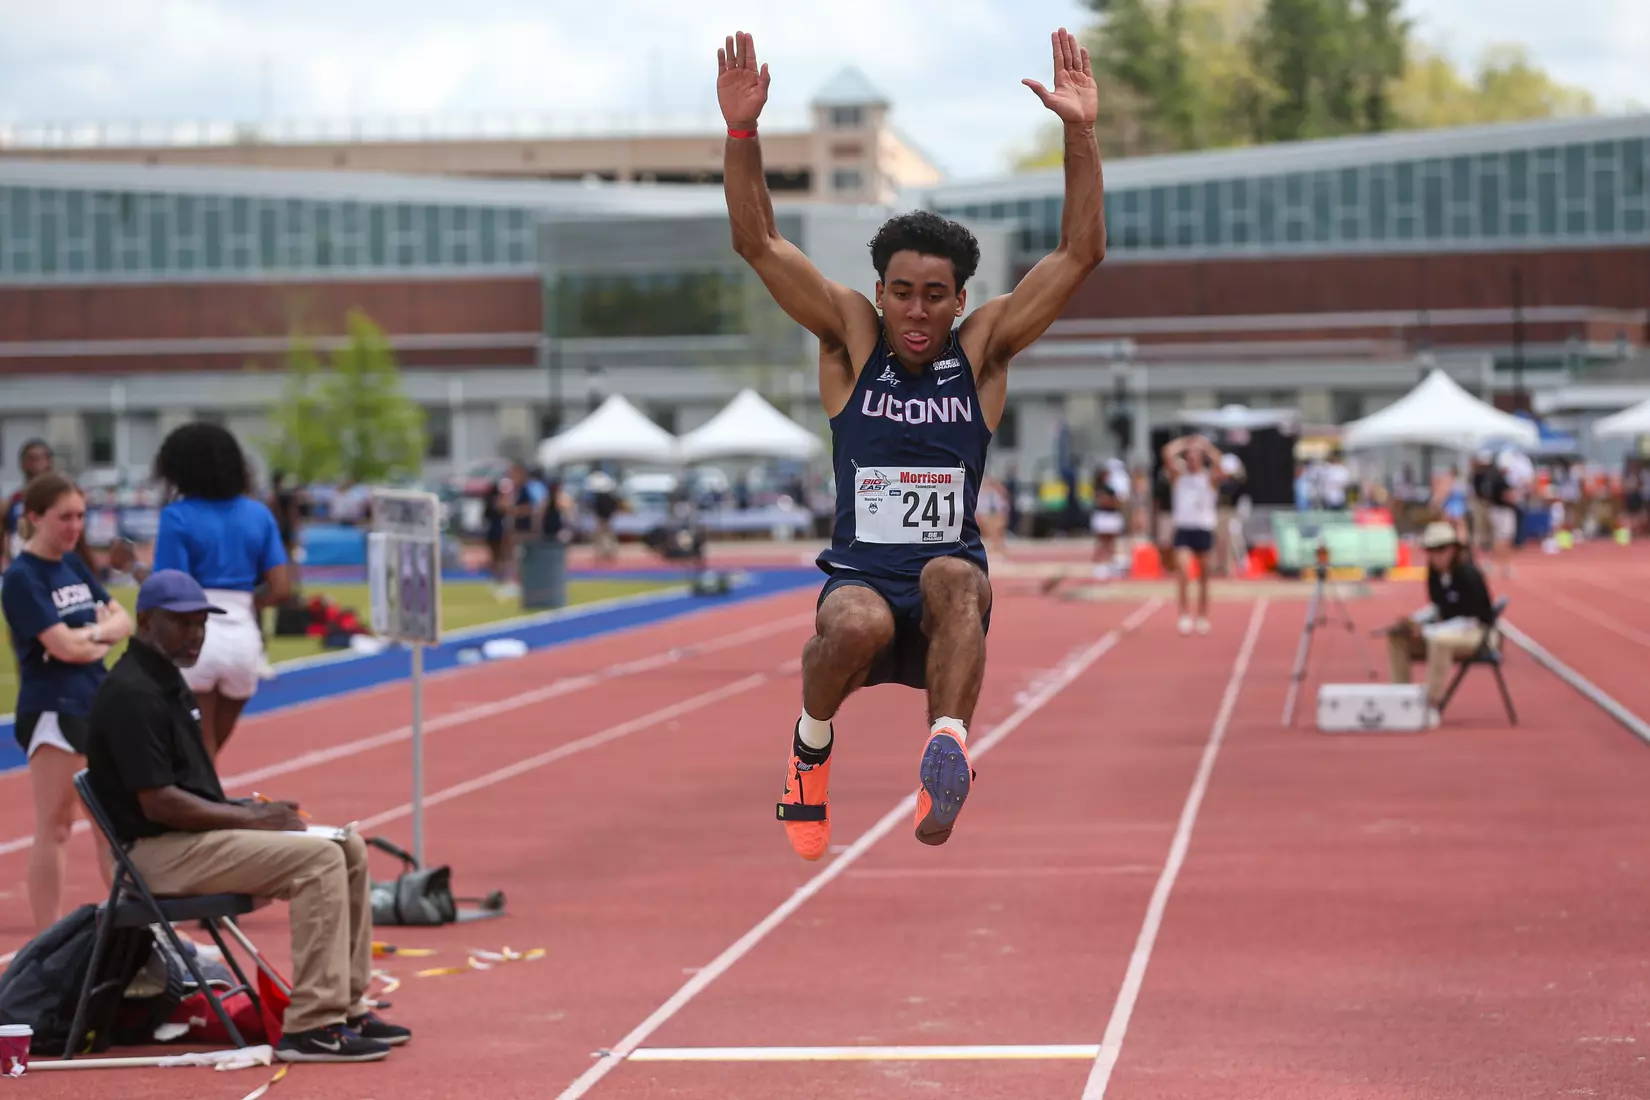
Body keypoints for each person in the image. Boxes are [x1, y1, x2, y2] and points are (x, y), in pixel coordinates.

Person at [718, 27, 1105, 858]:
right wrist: (742, 135)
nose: (918, 313)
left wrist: (1080, 132)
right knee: (852, 627)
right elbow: (758, 243)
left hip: (943, 589)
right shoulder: (850, 340)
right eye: (902, 293)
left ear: (960, 299)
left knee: (953, 575)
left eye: (935, 297)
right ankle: (809, 751)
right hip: (861, 576)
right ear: (880, 292)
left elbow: (1080, 252)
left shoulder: (984, 350)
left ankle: (948, 751)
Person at [85, 570, 410, 1062]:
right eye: (183, 623)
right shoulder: (133, 693)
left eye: (201, 623)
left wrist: (248, 808)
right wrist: (253, 821)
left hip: (184, 841)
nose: (196, 634)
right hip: (153, 855)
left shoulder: (167, 680)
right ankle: (312, 1026)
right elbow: (160, 803)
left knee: (347, 847)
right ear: (147, 621)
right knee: (319, 862)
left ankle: (347, 1006)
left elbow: (190, 791)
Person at [111, 424, 290, 760]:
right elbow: (281, 588)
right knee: (205, 759)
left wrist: (132, 566)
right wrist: (248, 604)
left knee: (195, 759)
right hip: (244, 639)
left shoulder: (178, 516)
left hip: (194, 635)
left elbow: (168, 589)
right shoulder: (259, 514)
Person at [1, 472, 132, 930]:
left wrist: (91, 636)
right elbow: (63, 647)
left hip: (95, 700)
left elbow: (123, 619)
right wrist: (96, 637)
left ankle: (142, 932)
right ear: (34, 517)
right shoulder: (21, 578)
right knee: (56, 824)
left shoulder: (74, 565)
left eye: (80, 516)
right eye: (64, 518)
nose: (75, 526)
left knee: (111, 826)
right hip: (53, 708)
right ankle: (47, 937)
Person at [1386, 522, 1497, 727]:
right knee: (1398, 637)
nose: (1436, 556)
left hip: (1478, 633)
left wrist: (1428, 630)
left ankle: (1431, 704)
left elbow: (1472, 619)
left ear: (1453, 549)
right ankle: (1401, 699)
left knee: (1439, 642)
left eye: (1441, 549)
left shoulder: (1469, 575)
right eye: (1431, 550)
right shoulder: (1434, 574)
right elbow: (1437, 607)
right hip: (1447, 630)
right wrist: (1414, 621)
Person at [1163, 434, 1224, 635]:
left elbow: (1219, 461)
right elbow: (1167, 453)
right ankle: (1184, 614)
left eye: (1195, 456)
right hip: (1184, 529)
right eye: (1189, 456)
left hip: (1203, 529)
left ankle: (1203, 616)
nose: (1192, 459)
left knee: (1204, 577)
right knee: (1183, 572)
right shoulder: (1180, 478)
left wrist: (1204, 446)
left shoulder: (1208, 478)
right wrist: (1185, 443)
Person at [2, 439, 55, 573]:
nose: (39, 463)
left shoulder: (59, 499)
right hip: (22, 569)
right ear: (23, 463)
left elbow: (80, 543)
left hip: (52, 566)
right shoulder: (11, 502)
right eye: (32, 458)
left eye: (44, 458)